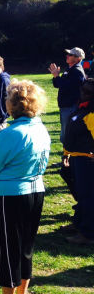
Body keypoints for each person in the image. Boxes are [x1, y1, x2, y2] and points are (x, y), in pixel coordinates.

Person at [0, 79, 50, 294]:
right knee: (25, 246)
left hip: (9, 197)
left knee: (7, 250)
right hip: (35, 191)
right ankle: (23, 291)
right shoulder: (41, 130)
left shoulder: (10, 134)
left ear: (11, 105)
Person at [62, 78, 94, 245]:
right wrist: (66, 154)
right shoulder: (81, 109)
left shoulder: (92, 113)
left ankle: (88, 233)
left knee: (88, 195)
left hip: (86, 160)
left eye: (88, 92)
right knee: (81, 194)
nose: (83, 94)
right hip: (75, 157)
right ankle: (79, 223)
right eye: (83, 90)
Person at [49, 47, 87, 144]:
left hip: (71, 106)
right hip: (65, 106)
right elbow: (57, 84)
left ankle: (68, 157)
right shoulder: (70, 69)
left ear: (78, 58)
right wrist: (55, 76)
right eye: (68, 54)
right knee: (65, 133)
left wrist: (57, 76)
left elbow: (66, 86)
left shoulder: (77, 71)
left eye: (70, 55)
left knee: (67, 134)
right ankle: (67, 156)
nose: (67, 56)